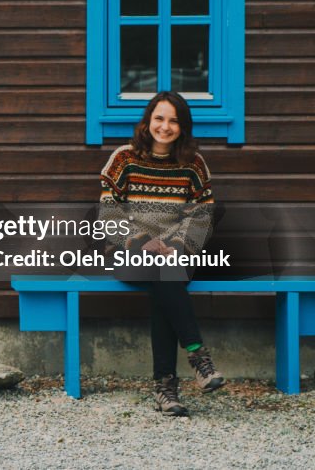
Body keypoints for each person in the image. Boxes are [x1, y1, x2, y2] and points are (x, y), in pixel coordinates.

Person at [98, 91, 224, 417]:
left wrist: (177, 245)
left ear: (183, 127)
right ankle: (197, 356)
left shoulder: (193, 165)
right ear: (147, 120)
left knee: (165, 273)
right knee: (164, 272)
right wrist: (140, 242)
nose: (165, 127)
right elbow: (108, 215)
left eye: (173, 120)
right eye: (159, 118)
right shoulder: (124, 159)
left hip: (175, 253)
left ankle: (166, 390)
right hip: (128, 253)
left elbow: (203, 216)